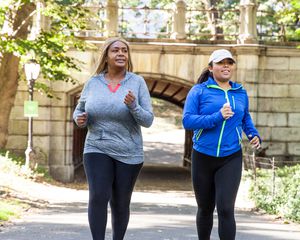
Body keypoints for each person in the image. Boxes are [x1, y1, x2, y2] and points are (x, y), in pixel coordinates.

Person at [73, 37, 154, 240]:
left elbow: (148, 120)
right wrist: (79, 119)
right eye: (115, 50)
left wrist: (134, 106)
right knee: (99, 196)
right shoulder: (93, 83)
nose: (120, 54)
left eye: (124, 51)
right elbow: (79, 110)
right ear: (106, 56)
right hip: (96, 146)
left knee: (120, 201)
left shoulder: (137, 82)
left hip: (129, 150)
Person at [182, 49, 261, 240]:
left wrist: (253, 134)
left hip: (230, 156)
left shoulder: (240, 92)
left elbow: (245, 118)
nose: (226, 65)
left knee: (226, 208)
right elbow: (188, 121)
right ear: (211, 68)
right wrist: (217, 116)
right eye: (220, 62)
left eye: (229, 62)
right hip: (203, 156)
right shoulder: (199, 91)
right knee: (205, 208)